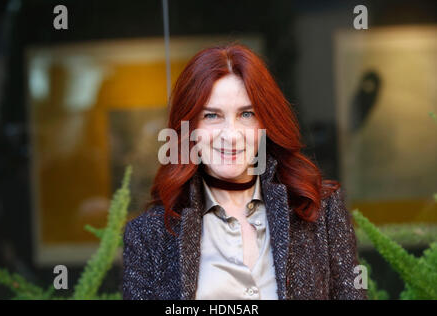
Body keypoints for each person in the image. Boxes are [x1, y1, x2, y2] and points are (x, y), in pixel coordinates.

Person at [122, 42, 367, 300]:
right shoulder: (149, 235)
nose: (231, 135)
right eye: (212, 116)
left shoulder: (319, 210)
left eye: (246, 114)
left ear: (266, 122)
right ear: (189, 128)